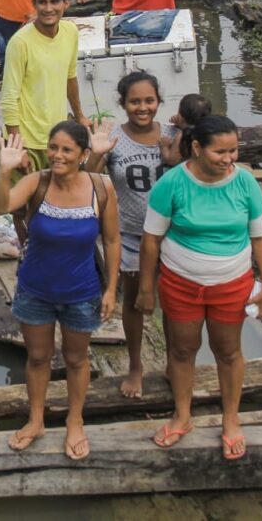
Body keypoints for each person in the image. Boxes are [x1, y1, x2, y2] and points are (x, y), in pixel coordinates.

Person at [137, 115, 262, 460]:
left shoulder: (245, 183)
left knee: (228, 351)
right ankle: (183, 415)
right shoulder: (172, 184)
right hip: (180, 283)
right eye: (221, 152)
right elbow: (151, 240)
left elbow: (261, 237)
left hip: (231, 285)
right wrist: (145, 287)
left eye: (234, 151)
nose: (229, 159)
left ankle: (231, 419)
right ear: (197, 148)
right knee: (182, 350)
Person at [0, 124, 120, 461]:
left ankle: (75, 420)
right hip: (35, 290)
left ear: (83, 154)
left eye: (66, 150)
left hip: (82, 292)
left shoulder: (101, 187)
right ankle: (36, 420)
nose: (57, 156)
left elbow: (111, 240)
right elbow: (0, 207)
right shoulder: (37, 182)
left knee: (77, 359)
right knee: (37, 358)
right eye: (53, 148)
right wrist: (4, 171)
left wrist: (112, 289)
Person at [85, 72, 177, 398]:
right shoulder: (114, 139)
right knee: (136, 301)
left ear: (158, 102)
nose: (142, 107)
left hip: (172, 234)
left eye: (149, 101)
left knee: (172, 302)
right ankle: (136, 365)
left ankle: (174, 363)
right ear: (123, 104)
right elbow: (88, 179)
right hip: (130, 234)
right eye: (135, 101)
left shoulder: (173, 134)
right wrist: (97, 151)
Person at [0, 0, 89, 171]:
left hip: (57, 138)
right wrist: (17, 147)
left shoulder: (70, 32)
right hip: (27, 140)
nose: (48, 9)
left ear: (66, 4)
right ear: (34, 3)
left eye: (54, 2)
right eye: (42, 2)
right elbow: (8, 98)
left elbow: (70, 77)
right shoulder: (20, 43)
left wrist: (79, 115)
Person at [163, 92, 212, 167]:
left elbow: (171, 161)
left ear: (182, 116)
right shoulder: (208, 132)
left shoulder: (182, 136)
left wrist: (164, 147)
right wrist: (180, 124)